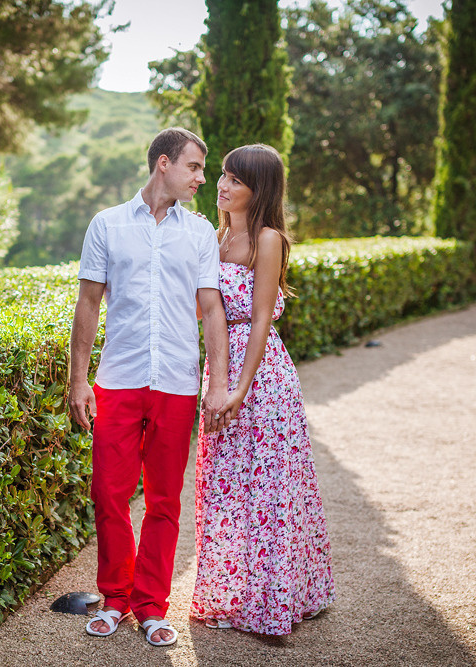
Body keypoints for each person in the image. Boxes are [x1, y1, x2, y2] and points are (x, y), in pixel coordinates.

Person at [68, 127, 231, 647]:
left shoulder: (201, 234)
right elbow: (88, 306)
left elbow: (211, 310)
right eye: (194, 168)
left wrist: (216, 383)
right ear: (164, 163)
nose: (202, 179)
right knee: (109, 494)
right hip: (118, 380)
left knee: (165, 501)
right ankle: (115, 599)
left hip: (178, 384)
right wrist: (78, 381)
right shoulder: (107, 225)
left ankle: (152, 606)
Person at [191, 144, 336, 635]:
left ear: (260, 189)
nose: (222, 185)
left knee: (269, 490)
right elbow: (201, 311)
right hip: (220, 367)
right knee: (227, 485)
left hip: (261, 376)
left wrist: (238, 388)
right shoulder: (213, 237)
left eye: (235, 180)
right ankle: (233, 593)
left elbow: (258, 322)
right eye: (223, 177)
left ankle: (275, 599)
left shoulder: (266, 238)